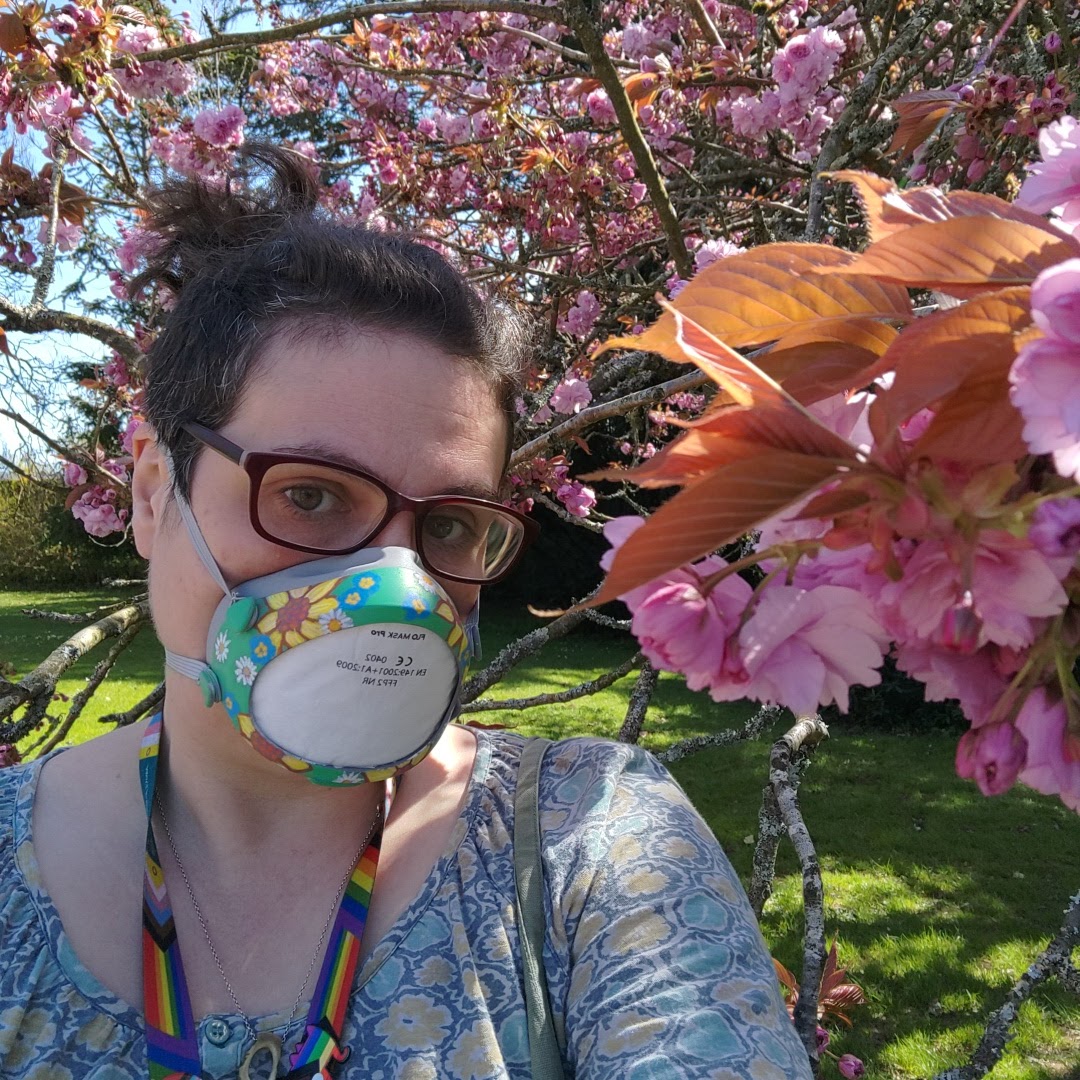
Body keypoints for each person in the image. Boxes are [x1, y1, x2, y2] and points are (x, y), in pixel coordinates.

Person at [0, 146, 811, 1080]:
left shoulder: (588, 841)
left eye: (451, 523)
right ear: (152, 494)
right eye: (309, 496)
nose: (393, 579)